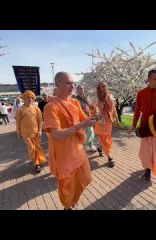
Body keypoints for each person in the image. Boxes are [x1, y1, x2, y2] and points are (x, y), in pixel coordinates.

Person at [43, 72, 96, 210]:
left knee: (87, 178)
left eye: (73, 83)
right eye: (68, 83)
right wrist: (80, 125)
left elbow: (84, 119)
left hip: (77, 148)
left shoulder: (74, 102)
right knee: (67, 186)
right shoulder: (51, 107)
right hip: (63, 152)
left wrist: (95, 118)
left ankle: (73, 199)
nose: (72, 86)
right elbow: (57, 135)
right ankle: (67, 206)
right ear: (57, 84)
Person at [90, 81, 120, 168]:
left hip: (109, 122)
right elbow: (91, 110)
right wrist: (94, 118)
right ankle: (109, 157)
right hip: (100, 122)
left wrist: (117, 119)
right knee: (104, 140)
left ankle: (100, 148)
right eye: (102, 86)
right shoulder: (95, 98)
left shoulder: (110, 96)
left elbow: (114, 109)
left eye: (105, 86)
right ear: (99, 88)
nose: (105, 88)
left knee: (107, 138)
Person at [15, 90, 46, 173]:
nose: (30, 99)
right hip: (25, 133)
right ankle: (37, 164)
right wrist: (19, 133)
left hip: (36, 132)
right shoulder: (19, 110)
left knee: (37, 147)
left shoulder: (36, 109)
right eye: (28, 98)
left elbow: (40, 120)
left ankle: (37, 161)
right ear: (24, 99)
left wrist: (40, 130)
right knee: (32, 148)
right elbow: (18, 122)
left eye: (31, 98)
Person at [73, 84, 97, 152]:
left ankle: (90, 145)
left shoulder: (86, 97)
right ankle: (83, 145)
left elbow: (90, 106)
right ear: (77, 90)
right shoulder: (75, 99)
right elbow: (75, 109)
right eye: (80, 88)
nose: (82, 89)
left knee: (91, 131)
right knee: (84, 132)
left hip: (88, 117)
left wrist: (93, 109)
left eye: (82, 88)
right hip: (81, 119)